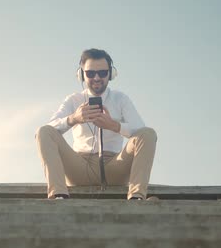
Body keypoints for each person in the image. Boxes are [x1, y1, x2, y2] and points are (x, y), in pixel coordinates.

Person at [35, 48, 157, 200]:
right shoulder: (73, 100)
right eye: (91, 73)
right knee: (43, 131)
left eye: (102, 73)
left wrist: (115, 126)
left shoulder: (120, 99)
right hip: (79, 166)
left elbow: (141, 131)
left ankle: (136, 197)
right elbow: (49, 129)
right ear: (81, 75)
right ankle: (58, 196)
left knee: (148, 133)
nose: (97, 78)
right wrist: (73, 119)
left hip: (114, 166)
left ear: (111, 74)